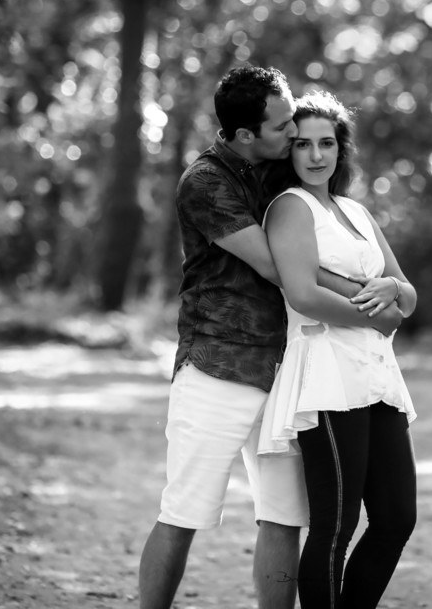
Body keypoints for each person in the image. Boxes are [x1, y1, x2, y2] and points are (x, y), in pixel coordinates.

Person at [138, 66, 403, 609]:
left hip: (288, 370)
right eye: (283, 127)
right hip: (220, 365)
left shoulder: (280, 169)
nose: (293, 132)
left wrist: (390, 286)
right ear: (245, 135)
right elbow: (278, 266)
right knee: (184, 511)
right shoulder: (206, 182)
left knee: (284, 517)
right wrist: (368, 295)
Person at [258, 91, 418, 609]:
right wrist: (381, 313)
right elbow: (303, 295)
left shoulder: (356, 211)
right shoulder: (289, 207)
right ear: (288, 150)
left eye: (326, 143)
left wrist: (393, 290)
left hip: (377, 377)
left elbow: (407, 294)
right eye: (302, 144)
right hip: (327, 374)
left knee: (396, 517)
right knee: (335, 525)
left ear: (340, 148)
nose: (315, 155)